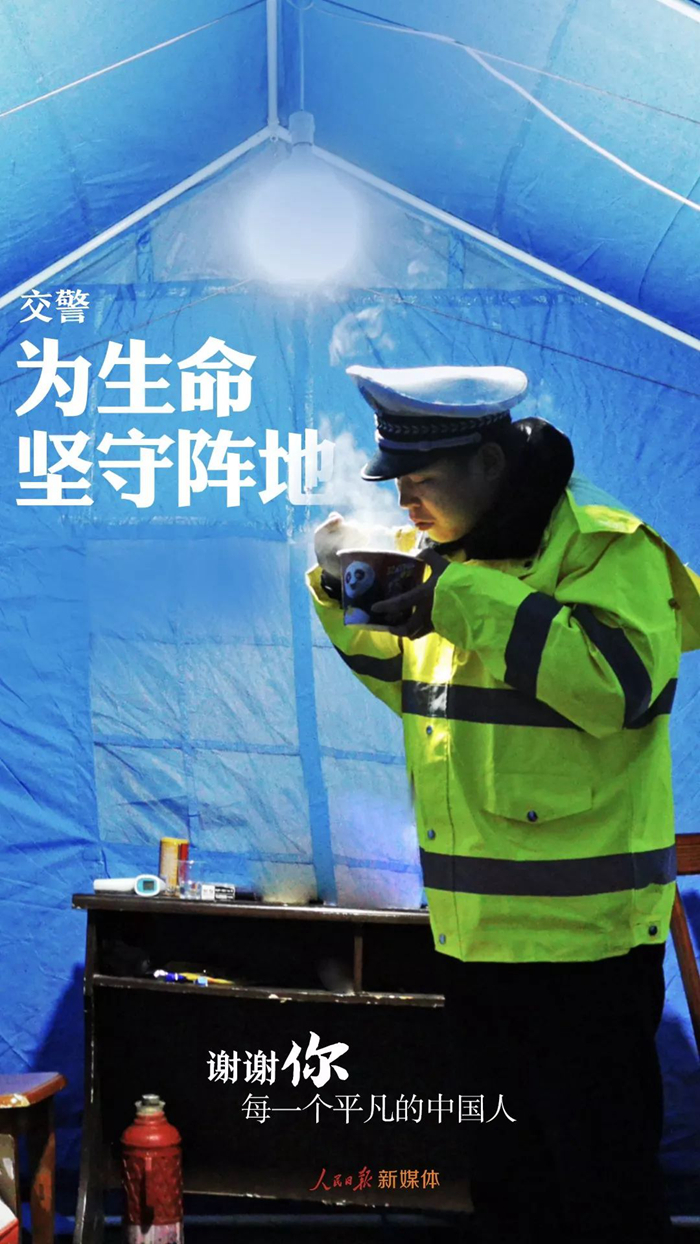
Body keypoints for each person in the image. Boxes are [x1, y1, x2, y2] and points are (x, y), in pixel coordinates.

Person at [307, 363, 700, 1244]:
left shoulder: (605, 548)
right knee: (508, 1193)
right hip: (474, 940)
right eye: (396, 483)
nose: (404, 501)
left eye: (420, 479)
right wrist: (344, 591)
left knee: (601, 1195)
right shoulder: (452, 557)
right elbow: (415, 690)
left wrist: (460, 596)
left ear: (489, 462)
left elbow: (620, 687)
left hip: (586, 950)